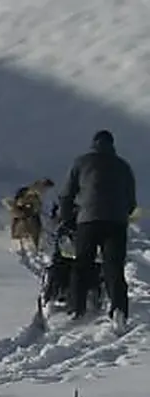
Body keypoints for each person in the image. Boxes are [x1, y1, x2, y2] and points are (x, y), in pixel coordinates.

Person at [58, 130, 138, 328]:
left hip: (88, 220)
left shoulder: (81, 162)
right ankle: (119, 310)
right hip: (116, 222)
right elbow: (131, 201)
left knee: (82, 264)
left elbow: (66, 194)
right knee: (114, 267)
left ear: (94, 144)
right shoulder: (123, 165)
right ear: (112, 145)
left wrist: (68, 219)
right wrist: (121, 213)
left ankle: (76, 309)